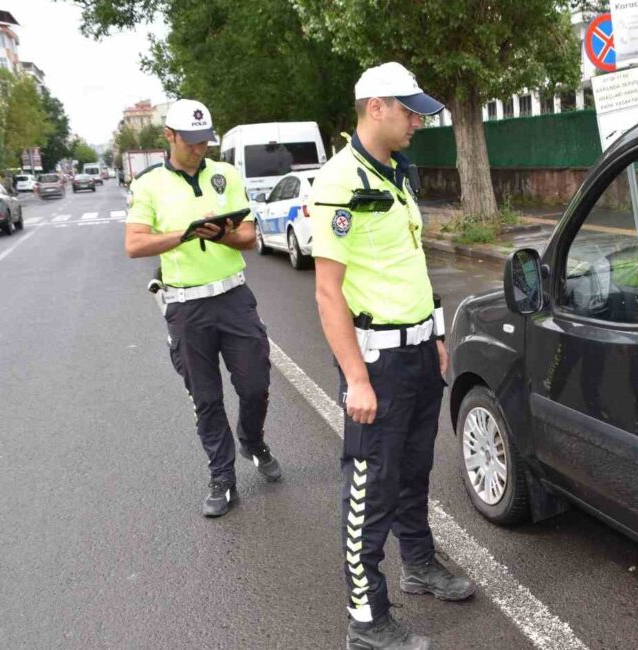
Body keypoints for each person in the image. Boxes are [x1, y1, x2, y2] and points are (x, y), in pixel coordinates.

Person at [310, 62, 476, 650]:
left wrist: (433, 332)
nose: (418, 121)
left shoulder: (396, 175)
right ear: (374, 106)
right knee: (370, 486)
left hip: (414, 354)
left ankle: (420, 565)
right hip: (375, 362)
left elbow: (410, 266)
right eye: (409, 110)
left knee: (413, 471)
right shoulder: (338, 182)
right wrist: (355, 377)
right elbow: (328, 290)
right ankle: (366, 618)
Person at [124, 98, 280, 517]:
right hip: (186, 307)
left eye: (204, 141)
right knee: (206, 399)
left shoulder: (225, 174)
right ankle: (222, 478)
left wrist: (220, 235)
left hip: (233, 298)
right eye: (190, 141)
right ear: (169, 137)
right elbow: (135, 244)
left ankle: (252, 439)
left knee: (255, 385)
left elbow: (248, 236)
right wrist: (186, 235)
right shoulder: (148, 184)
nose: (199, 149)